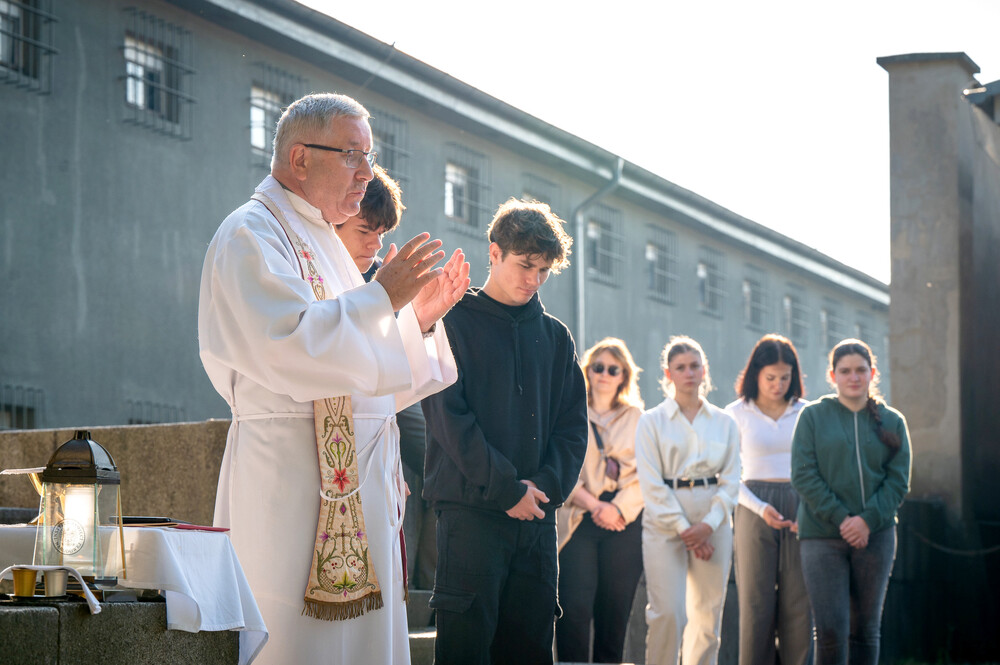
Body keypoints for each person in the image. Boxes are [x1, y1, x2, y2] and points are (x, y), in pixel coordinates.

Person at [198, 92, 470, 665]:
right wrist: (382, 298)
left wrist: (415, 320)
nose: (367, 174)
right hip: (289, 488)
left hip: (359, 491)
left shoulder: (326, 241)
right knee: (295, 643)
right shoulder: (252, 233)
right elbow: (289, 345)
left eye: (369, 158)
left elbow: (363, 375)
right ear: (301, 158)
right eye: (353, 156)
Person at [421, 198, 588, 665]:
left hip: (536, 518)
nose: (533, 279)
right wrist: (505, 488)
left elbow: (573, 427)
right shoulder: (450, 320)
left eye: (544, 270)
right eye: (525, 265)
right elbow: (447, 418)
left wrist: (545, 488)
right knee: (466, 650)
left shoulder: (556, 337)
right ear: (493, 253)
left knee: (531, 650)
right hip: (470, 515)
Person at [333, 164, 436, 591]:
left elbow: (396, 364)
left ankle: (427, 584)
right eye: (365, 231)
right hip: (337, 425)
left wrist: (425, 320)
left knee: (439, 464)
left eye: (381, 233)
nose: (375, 245)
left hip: (387, 410)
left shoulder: (377, 275)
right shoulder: (312, 276)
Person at [791, 339, 911, 665]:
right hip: (821, 536)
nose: (853, 377)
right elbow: (804, 475)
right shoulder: (813, 417)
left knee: (866, 630)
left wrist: (866, 520)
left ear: (872, 373)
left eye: (860, 370)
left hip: (876, 536)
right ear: (833, 375)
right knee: (829, 630)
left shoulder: (893, 421)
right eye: (845, 371)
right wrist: (843, 518)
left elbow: (898, 481)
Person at [635, 335, 740, 665]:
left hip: (714, 517)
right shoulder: (651, 421)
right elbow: (651, 483)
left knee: (707, 617)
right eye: (680, 367)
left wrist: (707, 526)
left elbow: (733, 479)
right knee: (668, 613)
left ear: (705, 369)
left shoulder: (726, 422)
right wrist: (686, 530)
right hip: (666, 519)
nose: (689, 373)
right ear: (668, 374)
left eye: (695, 366)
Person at [556, 337, 646, 663]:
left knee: (615, 611)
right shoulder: (570, 411)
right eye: (598, 367)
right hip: (580, 515)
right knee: (574, 608)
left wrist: (617, 508)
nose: (605, 374)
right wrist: (596, 506)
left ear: (624, 375)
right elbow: (562, 467)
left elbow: (645, 475)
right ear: (588, 371)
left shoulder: (637, 418)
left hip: (624, 520)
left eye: (613, 369)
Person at [725, 334, 811, 665]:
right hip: (752, 506)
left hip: (801, 506)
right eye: (770, 377)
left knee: (799, 602)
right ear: (755, 374)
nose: (777, 385)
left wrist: (808, 508)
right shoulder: (735, 413)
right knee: (755, 601)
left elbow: (815, 467)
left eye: (785, 377)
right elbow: (728, 476)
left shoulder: (806, 413)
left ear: (794, 376)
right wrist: (761, 509)